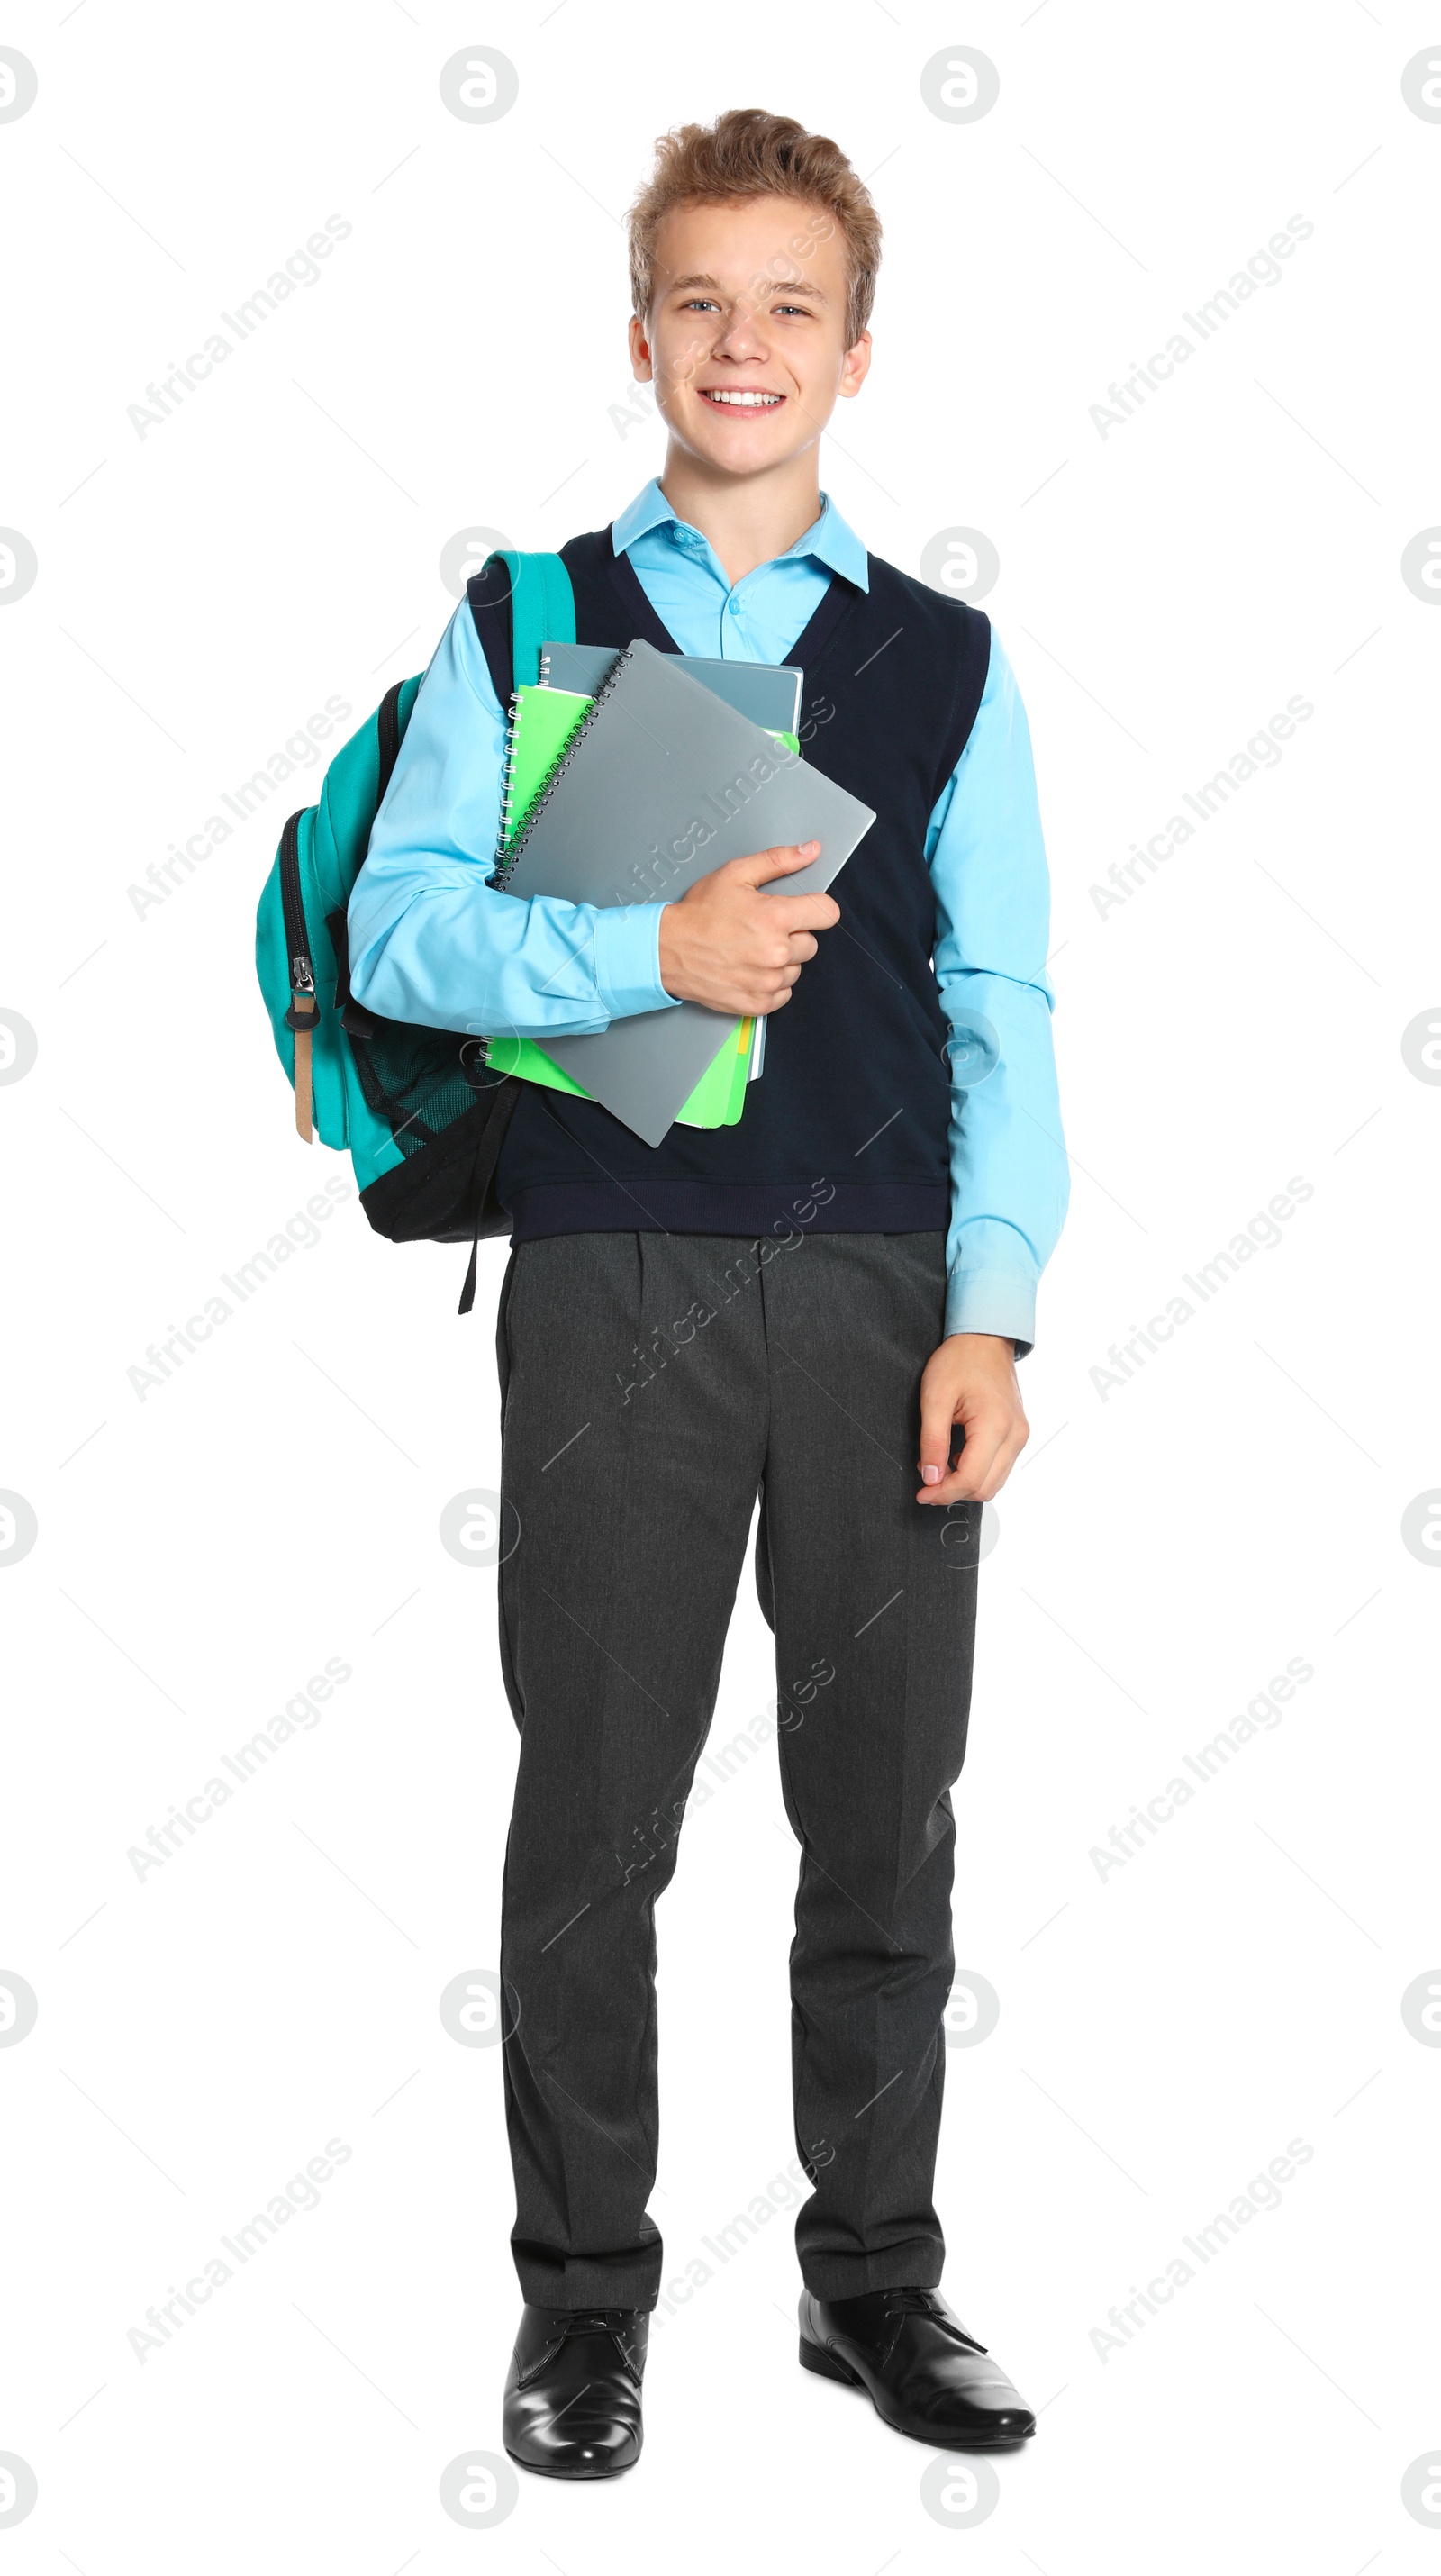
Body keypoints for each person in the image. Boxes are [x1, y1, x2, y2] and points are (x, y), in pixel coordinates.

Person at [348, 106, 1068, 2480]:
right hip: (609, 1277)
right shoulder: (533, 621)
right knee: (598, 1822)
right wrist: (641, 950)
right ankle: (583, 2303)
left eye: (789, 306)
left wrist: (995, 1307)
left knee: (887, 1815)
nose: (740, 343)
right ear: (636, 329)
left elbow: (1006, 1011)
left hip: (882, 1300)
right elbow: (403, 923)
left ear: (858, 353)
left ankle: (874, 2282)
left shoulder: (946, 661)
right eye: (699, 299)